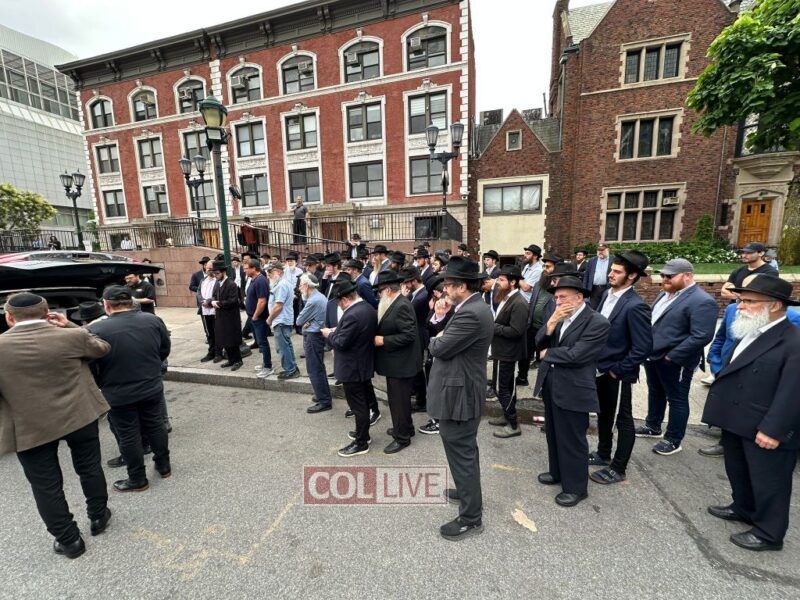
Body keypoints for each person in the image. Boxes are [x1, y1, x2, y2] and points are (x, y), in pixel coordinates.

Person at [0, 293, 111, 559]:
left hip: (29, 425)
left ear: (9, 317)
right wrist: (70, 325)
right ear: (48, 311)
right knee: (89, 467)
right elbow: (101, 348)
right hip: (79, 415)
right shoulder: (70, 336)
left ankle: (69, 540)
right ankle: (98, 516)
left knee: (45, 485)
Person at [702, 274, 800, 552]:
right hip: (737, 419)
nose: (740, 306)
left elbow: (793, 392)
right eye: (741, 300)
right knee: (738, 469)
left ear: (775, 305)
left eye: (748, 301)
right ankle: (744, 507)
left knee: (770, 481)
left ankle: (769, 533)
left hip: (766, 426)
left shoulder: (792, 341)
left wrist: (773, 430)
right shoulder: (751, 330)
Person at [427, 256, 493, 541]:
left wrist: (436, 338)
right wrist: (441, 326)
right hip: (460, 390)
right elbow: (445, 339)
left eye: (448, 285)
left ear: (462, 286)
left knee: (462, 453)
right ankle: (468, 493)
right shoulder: (470, 307)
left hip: (459, 395)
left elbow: (439, 348)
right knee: (464, 452)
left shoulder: (471, 313)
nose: (444, 290)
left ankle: (471, 518)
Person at [534, 276, 610, 507]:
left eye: (563, 297)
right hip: (551, 383)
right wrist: (551, 323)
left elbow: (578, 354)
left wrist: (548, 354)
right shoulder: (557, 317)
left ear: (579, 298)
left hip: (574, 388)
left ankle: (576, 488)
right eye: (556, 297)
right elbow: (538, 342)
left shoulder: (597, 322)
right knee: (553, 433)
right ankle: (557, 472)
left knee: (572, 439)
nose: (558, 301)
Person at [88, 286, 171, 493]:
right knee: (155, 425)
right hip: (150, 385)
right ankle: (164, 465)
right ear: (130, 301)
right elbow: (164, 349)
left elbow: (91, 365)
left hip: (118, 391)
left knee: (128, 434)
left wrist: (101, 382)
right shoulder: (152, 320)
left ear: (106, 305)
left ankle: (137, 478)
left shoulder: (97, 330)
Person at [635, 259, 718, 456]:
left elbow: (701, 335)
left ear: (687, 275)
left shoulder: (702, 301)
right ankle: (653, 426)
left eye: (670, 276)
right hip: (654, 355)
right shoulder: (664, 294)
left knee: (677, 399)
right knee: (656, 391)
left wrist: (672, 356)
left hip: (676, 360)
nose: (664, 278)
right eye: (663, 275)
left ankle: (673, 439)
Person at [589, 251, 653, 485]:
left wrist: (617, 369)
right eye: (611, 270)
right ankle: (603, 452)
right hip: (600, 368)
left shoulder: (636, 306)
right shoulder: (607, 295)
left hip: (618, 374)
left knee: (622, 419)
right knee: (604, 414)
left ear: (632, 276)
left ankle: (618, 467)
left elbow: (643, 347)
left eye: (617, 272)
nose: (610, 274)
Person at [322, 279, 378, 457]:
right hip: (362, 363)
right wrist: (338, 330)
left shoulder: (353, 314)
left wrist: (329, 334)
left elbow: (341, 342)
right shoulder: (367, 308)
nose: (339, 305)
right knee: (362, 403)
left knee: (358, 406)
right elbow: (354, 333)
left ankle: (361, 442)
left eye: (339, 302)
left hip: (352, 367)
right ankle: (363, 434)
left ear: (345, 299)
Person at [373, 270, 421, 454]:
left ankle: (402, 438)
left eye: (380, 291)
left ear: (387, 290)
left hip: (401, 364)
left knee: (398, 402)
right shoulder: (395, 303)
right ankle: (406, 428)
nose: (379, 295)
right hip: (397, 363)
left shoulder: (401, 305)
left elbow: (409, 335)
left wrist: (383, 340)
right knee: (400, 401)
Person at [488, 265, 528, 439]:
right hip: (501, 350)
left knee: (502, 388)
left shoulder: (519, 303)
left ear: (513, 282)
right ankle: (506, 415)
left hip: (508, 352)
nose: (498, 283)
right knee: (505, 387)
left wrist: (493, 327)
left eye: (502, 280)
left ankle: (513, 424)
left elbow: (516, 331)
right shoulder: (506, 297)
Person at [297, 274, 332, 413]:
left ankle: (324, 401)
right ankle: (322, 395)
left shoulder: (313, 300)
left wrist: (307, 321)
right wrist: (309, 321)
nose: (299, 287)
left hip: (313, 336)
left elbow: (299, 321)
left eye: (301, 284)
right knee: (318, 367)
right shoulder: (319, 296)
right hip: (317, 335)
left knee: (314, 369)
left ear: (307, 285)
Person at [400, 266, 429, 413]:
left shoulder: (421, 296)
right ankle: (417, 394)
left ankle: (421, 401)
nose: (405, 285)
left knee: (417, 369)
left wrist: (403, 298)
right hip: (416, 333)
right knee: (416, 368)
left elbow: (407, 313)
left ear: (414, 281)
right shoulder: (417, 293)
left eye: (407, 282)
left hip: (419, 335)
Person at [209, 260, 244, 371]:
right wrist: (211, 302)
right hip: (221, 316)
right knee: (225, 339)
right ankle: (231, 360)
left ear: (223, 272)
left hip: (231, 317)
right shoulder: (218, 283)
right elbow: (214, 296)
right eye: (214, 273)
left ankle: (238, 360)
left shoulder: (231, 284)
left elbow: (233, 301)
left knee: (232, 339)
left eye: (217, 273)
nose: (215, 276)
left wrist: (218, 303)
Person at [266, 262, 299, 379]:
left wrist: (269, 319)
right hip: (283, 319)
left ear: (278, 272)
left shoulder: (281, 285)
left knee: (282, 347)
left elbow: (278, 306)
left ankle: (290, 370)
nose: (268, 275)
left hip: (281, 320)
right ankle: (292, 368)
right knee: (286, 345)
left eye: (270, 272)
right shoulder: (281, 283)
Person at [243, 259, 273, 379]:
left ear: (254, 268)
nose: (244, 271)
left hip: (259, 318)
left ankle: (268, 367)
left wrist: (255, 316)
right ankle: (265, 363)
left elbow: (262, 301)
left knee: (263, 342)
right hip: (254, 317)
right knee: (260, 342)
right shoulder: (253, 280)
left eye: (246, 268)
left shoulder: (260, 281)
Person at [197, 260, 222, 363]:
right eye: (207, 268)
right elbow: (198, 292)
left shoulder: (218, 281)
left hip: (214, 310)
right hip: (205, 310)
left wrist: (208, 302)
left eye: (211, 268)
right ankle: (211, 352)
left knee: (217, 332)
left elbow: (218, 294)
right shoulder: (203, 280)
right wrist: (202, 301)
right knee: (209, 333)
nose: (209, 270)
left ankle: (218, 353)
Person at [582, 243, 612, 309]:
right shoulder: (592, 260)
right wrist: (584, 289)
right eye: (599, 250)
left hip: (607, 288)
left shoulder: (613, 260)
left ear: (607, 250)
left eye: (602, 250)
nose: (600, 252)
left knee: (605, 307)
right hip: (594, 289)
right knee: (593, 308)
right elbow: (586, 275)